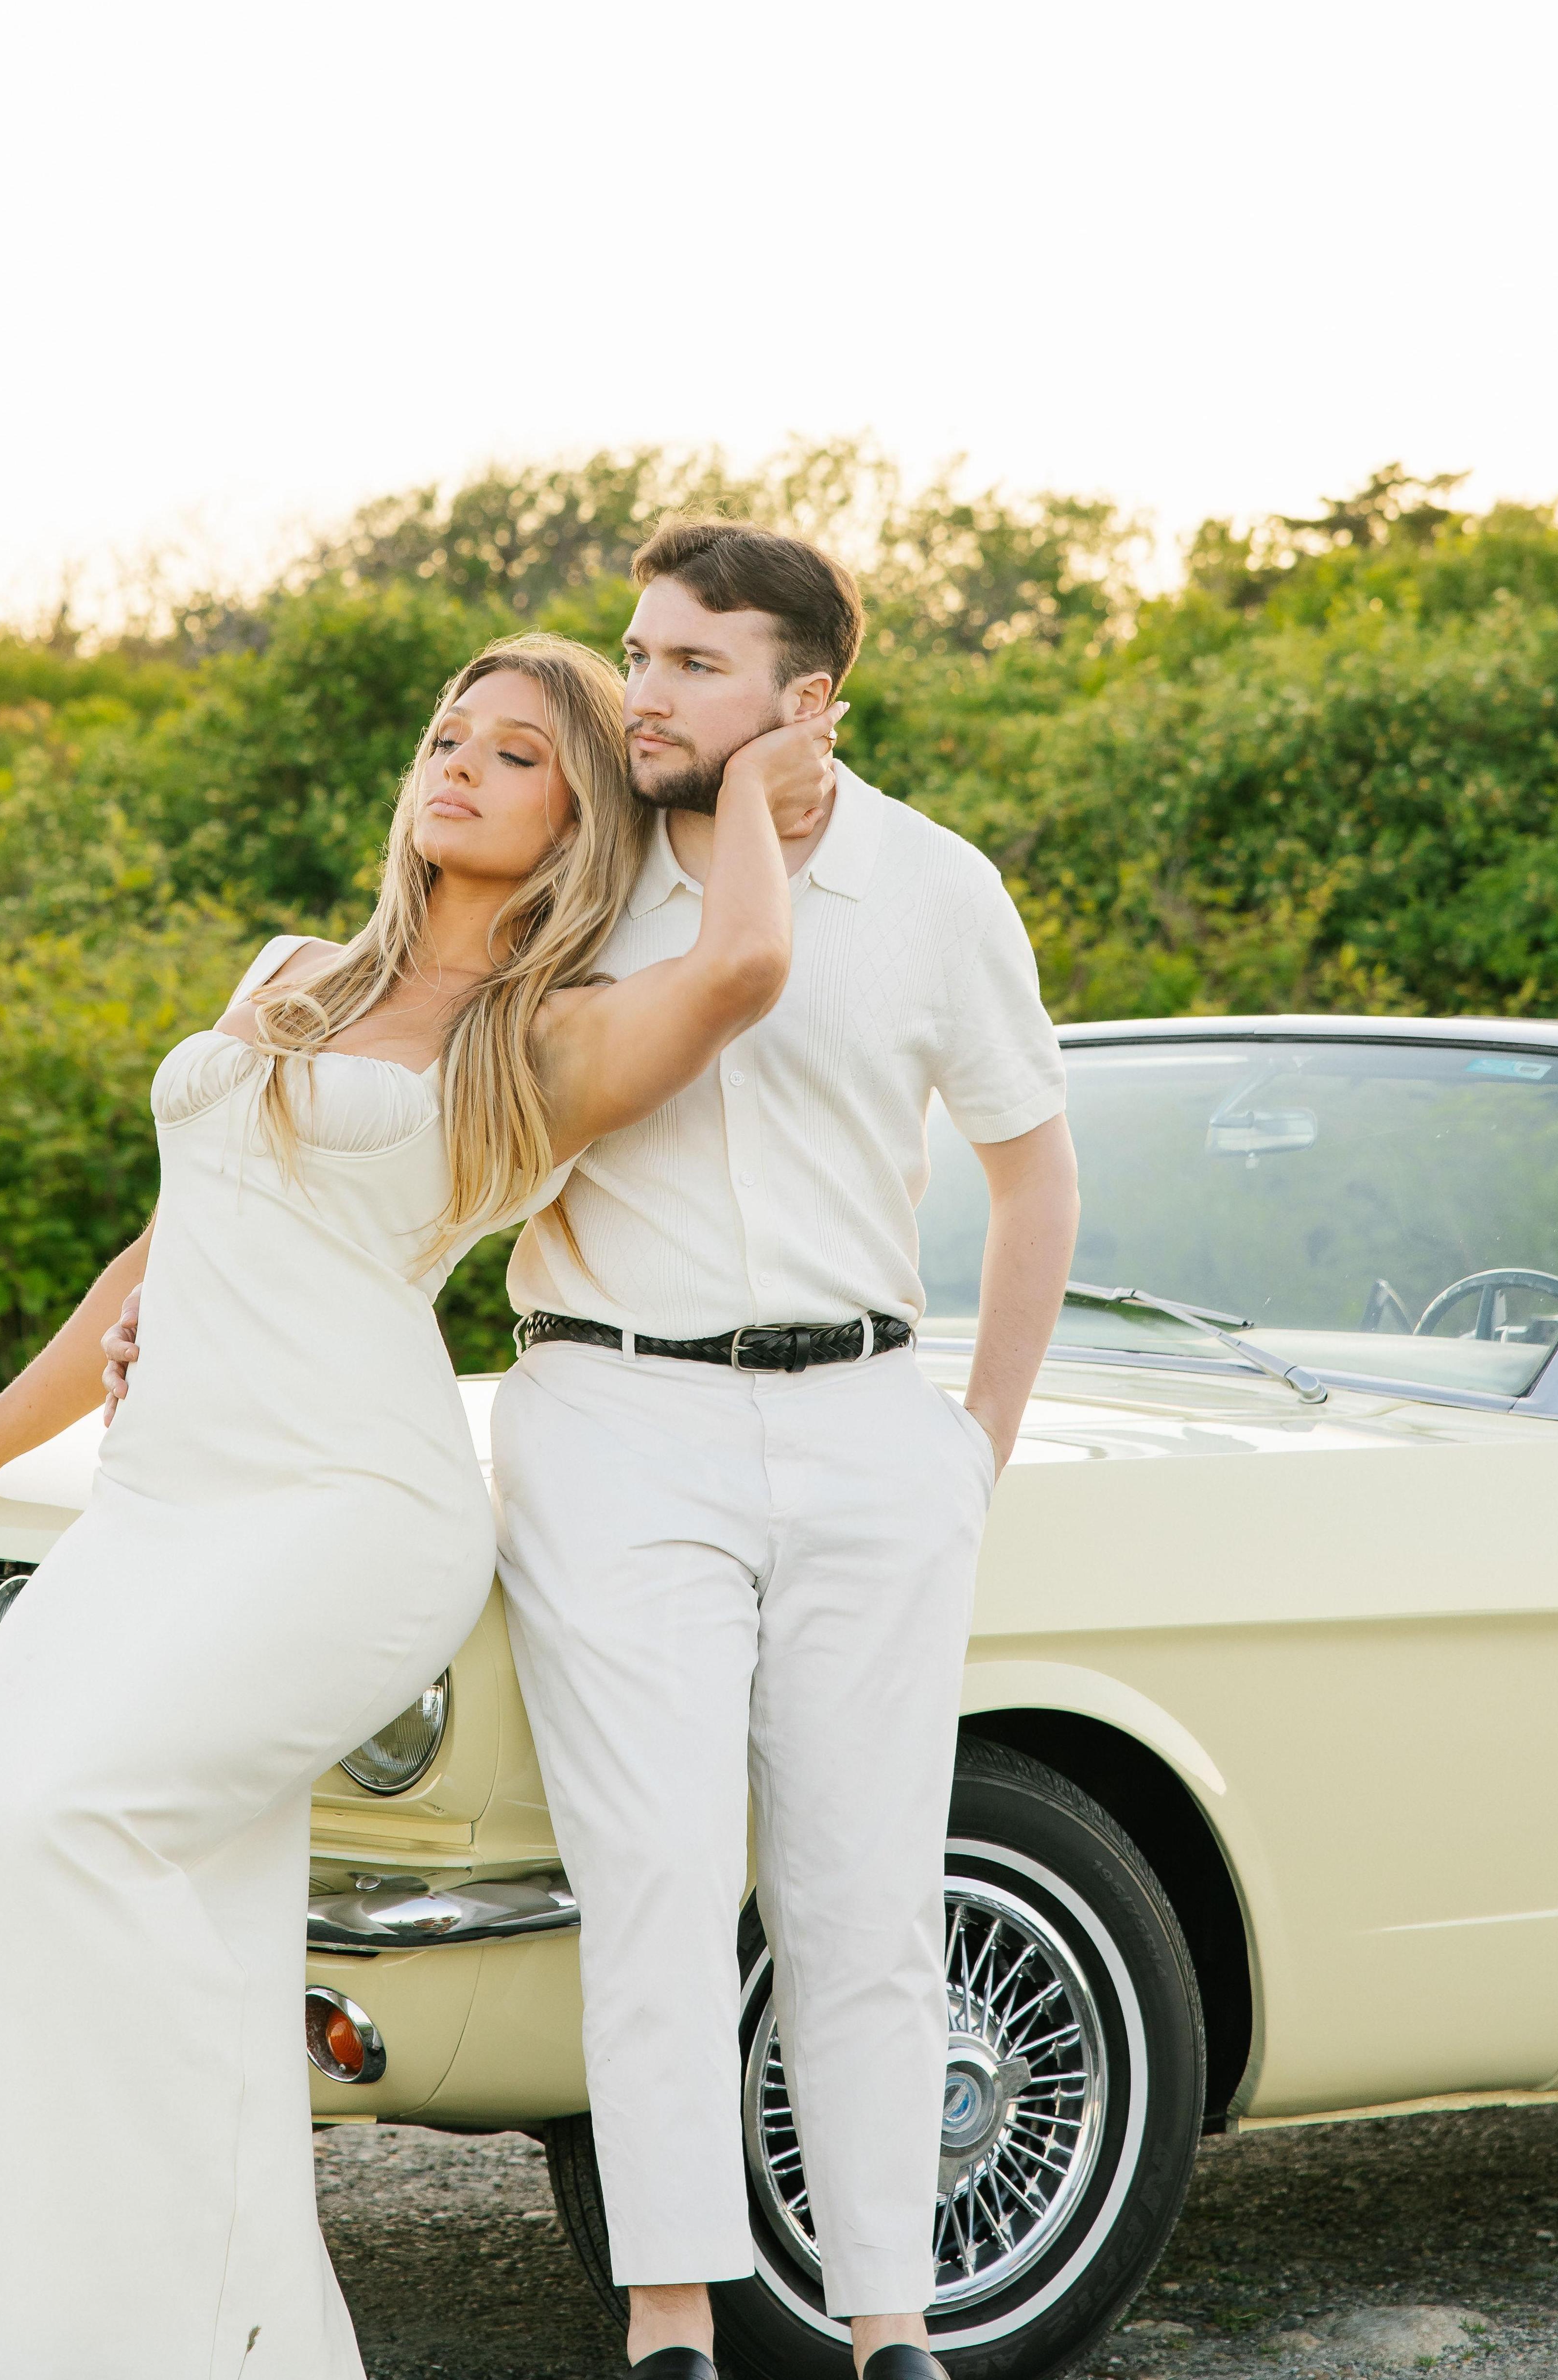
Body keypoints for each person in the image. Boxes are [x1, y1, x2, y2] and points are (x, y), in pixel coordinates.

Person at [0, 629, 840, 2380]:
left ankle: (200, 2313)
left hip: (348, 1507)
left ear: (583, 811)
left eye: (516, 754)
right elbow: (163, 1246)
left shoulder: (551, 1033)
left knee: (75, 1827)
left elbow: (743, 962)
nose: (460, 767)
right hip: (158, 1503)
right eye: (448, 736)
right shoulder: (288, 975)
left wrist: (740, 772)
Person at [493, 522, 1080, 2380]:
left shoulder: (934, 886)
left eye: (690, 664)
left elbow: (1032, 1173)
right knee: (655, 1885)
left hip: (866, 1435)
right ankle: (673, 2323)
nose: (640, 693)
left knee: (867, 1900)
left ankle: (889, 2326)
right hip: (613, 1423)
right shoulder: (577, 872)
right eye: (634, 654)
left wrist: (971, 1452)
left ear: (805, 696)